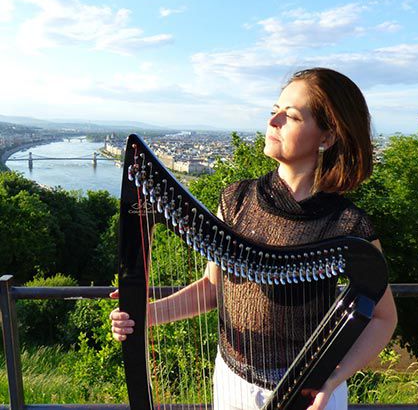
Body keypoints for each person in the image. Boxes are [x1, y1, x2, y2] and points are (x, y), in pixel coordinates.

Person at [110, 67, 398, 410]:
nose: (273, 121)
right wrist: (145, 314)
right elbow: (213, 288)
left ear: (326, 137)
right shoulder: (236, 200)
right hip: (233, 382)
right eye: (274, 110)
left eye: (291, 116)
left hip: (310, 396)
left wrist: (333, 377)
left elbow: (383, 318)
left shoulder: (347, 223)